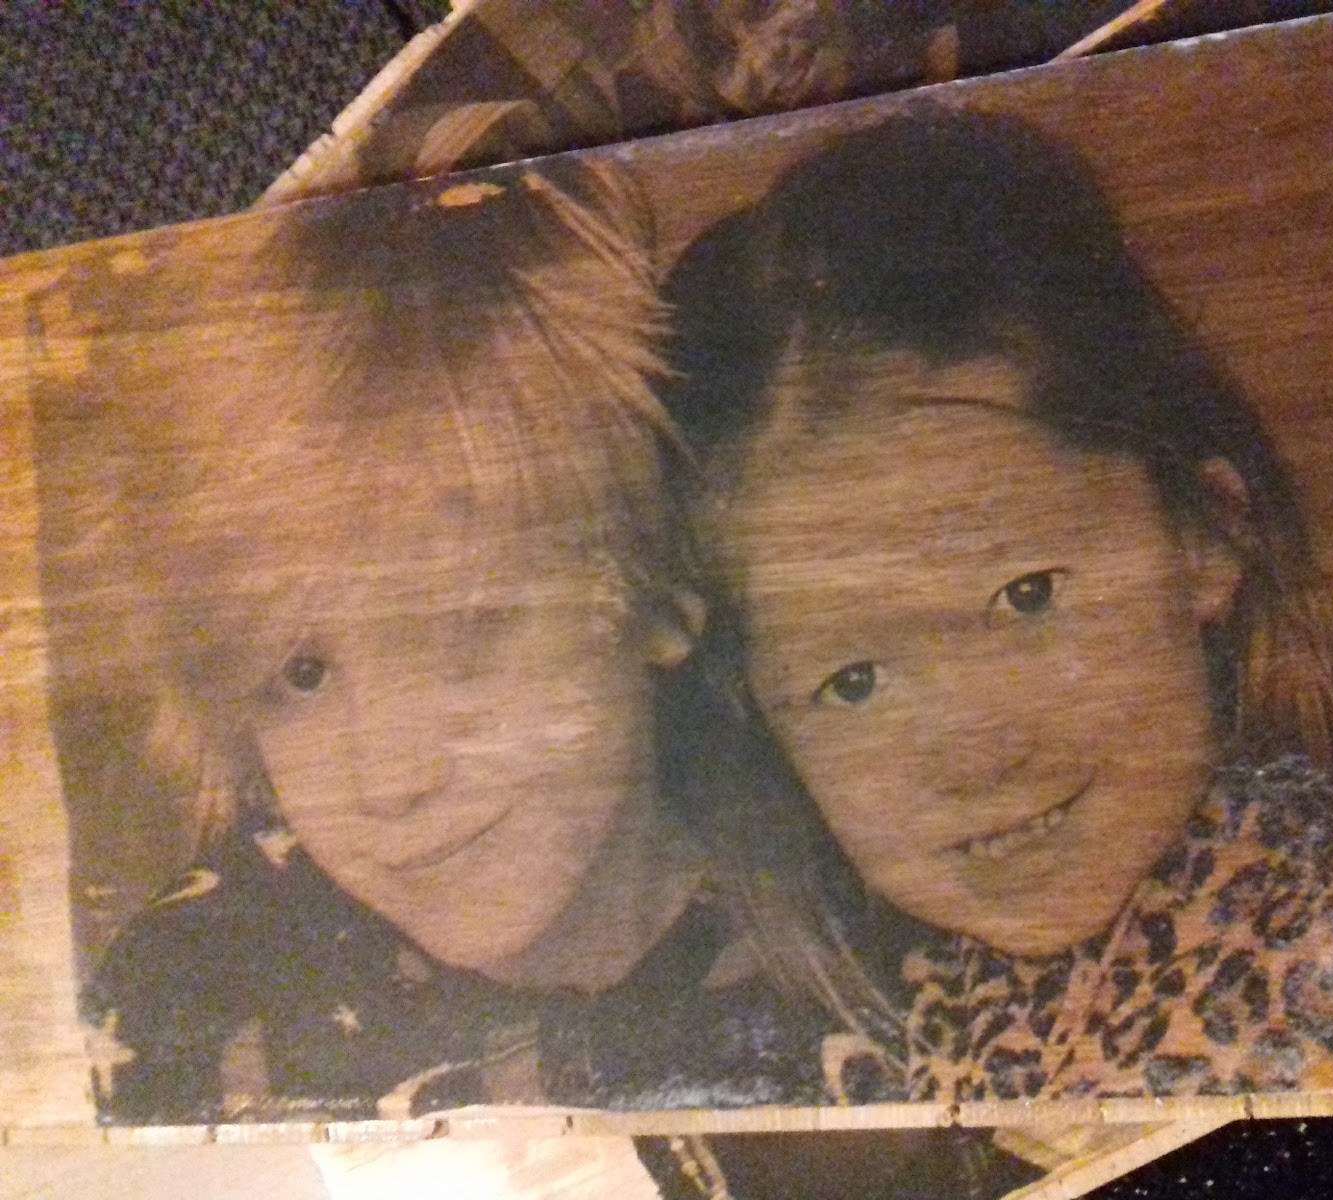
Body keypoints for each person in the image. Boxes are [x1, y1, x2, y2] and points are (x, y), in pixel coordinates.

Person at [655, 109, 1333, 1102]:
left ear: (1205, 533)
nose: (975, 753)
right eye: (854, 681)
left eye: (1026, 596)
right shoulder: (901, 1023)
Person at [29, 159, 825, 1123]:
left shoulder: (863, 907)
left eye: (463, 629)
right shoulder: (180, 1004)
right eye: (302, 674)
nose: (391, 780)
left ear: (654, 590)